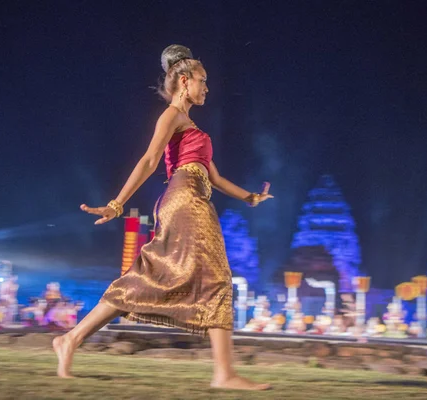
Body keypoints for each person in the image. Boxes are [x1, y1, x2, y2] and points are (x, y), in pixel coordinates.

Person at [53, 44, 273, 390]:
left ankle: (71, 338)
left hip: (194, 196)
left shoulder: (191, 126)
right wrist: (117, 203)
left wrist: (250, 196)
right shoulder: (171, 116)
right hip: (185, 200)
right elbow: (148, 161)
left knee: (149, 275)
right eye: (202, 81)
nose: (206, 88)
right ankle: (224, 374)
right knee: (216, 277)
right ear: (183, 81)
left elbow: (213, 177)